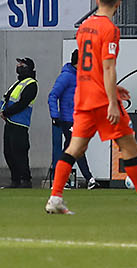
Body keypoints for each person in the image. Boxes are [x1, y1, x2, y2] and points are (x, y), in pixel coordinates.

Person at [45, 0, 137, 215]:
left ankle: (55, 197)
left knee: (75, 147)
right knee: (129, 144)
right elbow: (107, 66)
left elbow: (91, 67)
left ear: (97, 1)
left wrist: (115, 89)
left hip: (82, 98)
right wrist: (113, 100)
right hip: (102, 101)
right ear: (118, 4)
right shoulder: (110, 29)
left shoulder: (83, 27)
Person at [46, 56, 96, 190]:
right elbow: (53, 95)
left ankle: (60, 179)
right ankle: (89, 178)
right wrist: (55, 116)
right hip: (68, 119)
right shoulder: (67, 76)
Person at [0, 56, 38, 188]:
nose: (18, 66)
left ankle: (25, 180)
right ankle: (15, 180)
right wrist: (4, 112)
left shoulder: (31, 84)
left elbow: (22, 103)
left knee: (19, 152)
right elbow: (8, 98)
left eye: (21, 64)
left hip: (20, 124)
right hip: (10, 122)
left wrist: (6, 112)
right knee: (8, 152)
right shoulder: (18, 83)